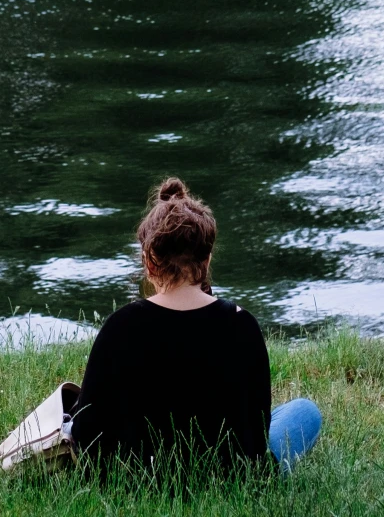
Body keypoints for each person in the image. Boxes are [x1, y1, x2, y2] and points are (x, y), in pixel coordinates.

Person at [69, 179, 323, 476]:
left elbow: (87, 434)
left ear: (149, 262)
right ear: (207, 259)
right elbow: (254, 438)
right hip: (231, 479)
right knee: (304, 412)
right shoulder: (243, 325)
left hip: (139, 478)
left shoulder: (119, 327)